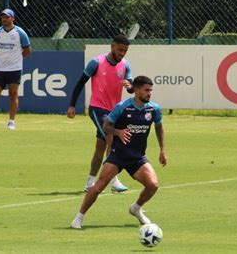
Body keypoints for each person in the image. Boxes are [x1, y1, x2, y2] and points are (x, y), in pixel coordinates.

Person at [71, 76, 167, 229]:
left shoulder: (153, 109)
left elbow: (159, 127)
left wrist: (162, 150)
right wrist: (118, 132)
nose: (149, 93)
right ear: (136, 90)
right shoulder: (122, 107)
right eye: (146, 90)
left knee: (153, 185)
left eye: (151, 90)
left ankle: (136, 208)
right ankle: (78, 217)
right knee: (98, 187)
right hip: (118, 155)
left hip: (137, 158)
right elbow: (106, 126)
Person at [67, 34, 134, 193]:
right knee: (113, 141)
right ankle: (114, 181)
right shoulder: (96, 63)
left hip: (114, 111)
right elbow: (80, 83)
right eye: (120, 50)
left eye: (125, 51)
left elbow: (131, 88)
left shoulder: (125, 65)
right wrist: (72, 105)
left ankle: (90, 183)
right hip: (97, 109)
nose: (122, 53)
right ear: (112, 46)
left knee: (100, 148)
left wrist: (129, 86)